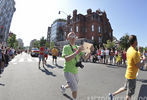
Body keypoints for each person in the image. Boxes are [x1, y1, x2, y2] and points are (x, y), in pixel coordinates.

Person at [109, 35, 146, 100]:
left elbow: (134, 59)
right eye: (136, 40)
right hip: (132, 76)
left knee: (125, 88)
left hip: (128, 73)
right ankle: (112, 95)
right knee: (129, 94)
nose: (137, 42)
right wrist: (144, 60)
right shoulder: (134, 52)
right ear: (135, 41)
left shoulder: (129, 49)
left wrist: (140, 57)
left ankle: (112, 95)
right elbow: (139, 65)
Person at [60, 32, 92, 100]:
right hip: (68, 71)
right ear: (68, 38)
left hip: (75, 71)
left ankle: (63, 87)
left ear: (76, 38)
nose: (73, 37)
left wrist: (89, 50)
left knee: (73, 84)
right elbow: (67, 59)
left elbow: (85, 58)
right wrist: (77, 51)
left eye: (74, 36)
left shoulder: (78, 47)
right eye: (71, 36)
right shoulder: (66, 47)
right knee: (75, 88)